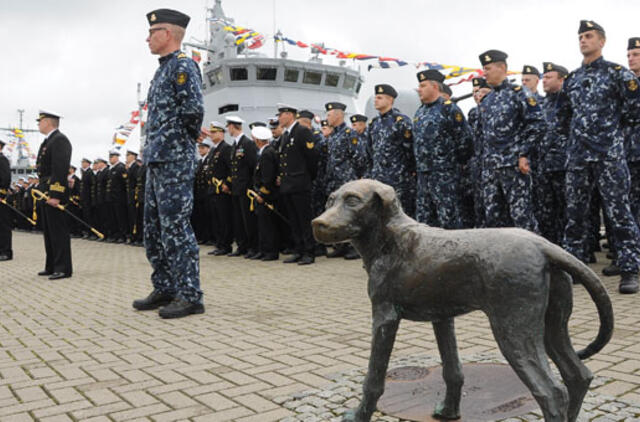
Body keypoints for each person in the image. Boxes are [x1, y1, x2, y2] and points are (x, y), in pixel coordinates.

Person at [132, 8, 205, 318]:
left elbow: (193, 113)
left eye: (152, 32)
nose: (147, 38)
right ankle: (165, 286)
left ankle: (190, 295)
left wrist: (178, 146)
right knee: (153, 229)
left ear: (168, 34)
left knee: (176, 227)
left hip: (174, 159)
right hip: (157, 160)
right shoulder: (161, 70)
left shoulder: (184, 66)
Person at [558, 21, 640, 294]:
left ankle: (629, 269)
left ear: (602, 41)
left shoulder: (619, 75)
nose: (583, 40)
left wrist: (608, 136)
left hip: (609, 156)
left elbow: (632, 114)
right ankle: (576, 268)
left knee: (619, 212)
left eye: (589, 36)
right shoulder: (572, 79)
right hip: (578, 158)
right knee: (576, 216)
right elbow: (564, 117)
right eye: (580, 36)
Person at [478, 49, 544, 232]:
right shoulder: (487, 100)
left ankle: (533, 259)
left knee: (521, 218)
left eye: (488, 68)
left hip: (513, 166)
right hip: (491, 168)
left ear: (502, 68)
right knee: (493, 218)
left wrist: (523, 153)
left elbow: (537, 125)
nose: (485, 72)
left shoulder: (519, 94)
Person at [413, 70, 473, 228]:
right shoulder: (420, 112)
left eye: (423, 85)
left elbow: (465, 140)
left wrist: (452, 164)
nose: (419, 89)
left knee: (449, 218)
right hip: (423, 174)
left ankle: (455, 253)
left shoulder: (449, 109)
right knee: (424, 219)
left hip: (444, 174)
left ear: (434, 87)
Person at [363, 84, 416, 217]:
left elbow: (410, 150)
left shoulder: (401, 122)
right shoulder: (373, 124)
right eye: (376, 97)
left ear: (390, 100)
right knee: (379, 215)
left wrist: (406, 173)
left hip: (398, 180)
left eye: (380, 97)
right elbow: (370, 152)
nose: (376, 100)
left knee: (400, 215)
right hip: (378, 179)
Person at [277, 104, 318, 265]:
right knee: (293, 220)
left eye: (281, 115)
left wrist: (306, 177)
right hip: (288, 184)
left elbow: (312, 158)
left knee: (304, 220)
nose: (279, 118)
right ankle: (298, 250)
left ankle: (309, 252)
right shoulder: (285, 135)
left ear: (290, 115)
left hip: (300, 183)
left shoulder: (302, 132)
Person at [35, 110, 72, 279]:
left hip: (54, 191)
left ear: (48, 122)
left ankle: (63, 268)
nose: (38, 124)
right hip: (45, 190)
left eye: (40, 121)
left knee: (58, 231)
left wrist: (56, 194)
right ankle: (51, 265)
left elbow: (59, 169)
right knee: (49, 231)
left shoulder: (59, 140)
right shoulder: (48, 141)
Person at [536, 62, 569, 245]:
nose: (544, 80)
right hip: (544, 164)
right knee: (546, 210)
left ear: (561, 79)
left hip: (563, 163)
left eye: (549, 77)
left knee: (567, 209)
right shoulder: (542, 103)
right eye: (544, 77)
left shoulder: (568, 100)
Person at [225, 115, 259, 257]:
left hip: (246, 189)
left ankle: (253, 247)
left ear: (233, 126)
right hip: (236, 189)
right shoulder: (235, 145)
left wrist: (251, 187)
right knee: (238, 220)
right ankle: (242, 246)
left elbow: (253, 166)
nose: (227, 129)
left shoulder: (247, 144)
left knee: (248, 220)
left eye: (228, 126)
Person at [201, 121, 233, 256]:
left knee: (224, 219)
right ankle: (219, 243)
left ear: (221, 133)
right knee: (216, 219)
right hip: (213, 189)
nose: (212, 135)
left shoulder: (226, 148)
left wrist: (227, 183)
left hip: (222, 189)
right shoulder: (214, 150)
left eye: (214, 132)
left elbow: (231, 168)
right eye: (211, 132)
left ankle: (226, 245)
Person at [251, 125, 280, 261]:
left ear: (258, 140)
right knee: (262, 224)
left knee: (268, 224)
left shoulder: (268, 153)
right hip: (262, 194)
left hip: (267, 195)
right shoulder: (264, 152)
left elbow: (268, 178)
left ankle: (271, 251)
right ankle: (264, 250)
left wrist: (262, 194)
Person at [106, 151, 128, 243]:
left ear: (117, 157)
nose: (110, 159)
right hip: (112, 198)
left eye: (112, 157)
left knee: (120, 218)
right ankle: (116, 235)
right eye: (110, 157)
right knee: (113, 218)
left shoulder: (121, 168)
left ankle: (122, 236)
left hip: (119, 198)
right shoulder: (112, 169)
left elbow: (124, 184)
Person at [0, 139, 11, 261]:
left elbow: (6, 178)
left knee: (3, 225)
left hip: (0, 199)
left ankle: (6, 251)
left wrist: (1, 194)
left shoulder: (2, 160)